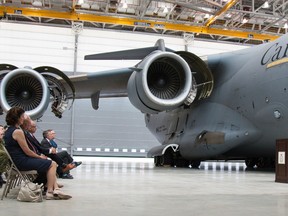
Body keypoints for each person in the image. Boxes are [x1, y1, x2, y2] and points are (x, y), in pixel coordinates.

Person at [3, 106, 72, 200]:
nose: (24, 118)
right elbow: (27, 151)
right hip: (21, 162)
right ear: (18, 117)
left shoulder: (8, 131)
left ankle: (53, 189)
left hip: (16, 162)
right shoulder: (18, 131)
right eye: (22, 116)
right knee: (52, 164)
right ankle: (50, 192)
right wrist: (39, 157)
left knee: (50, 163)